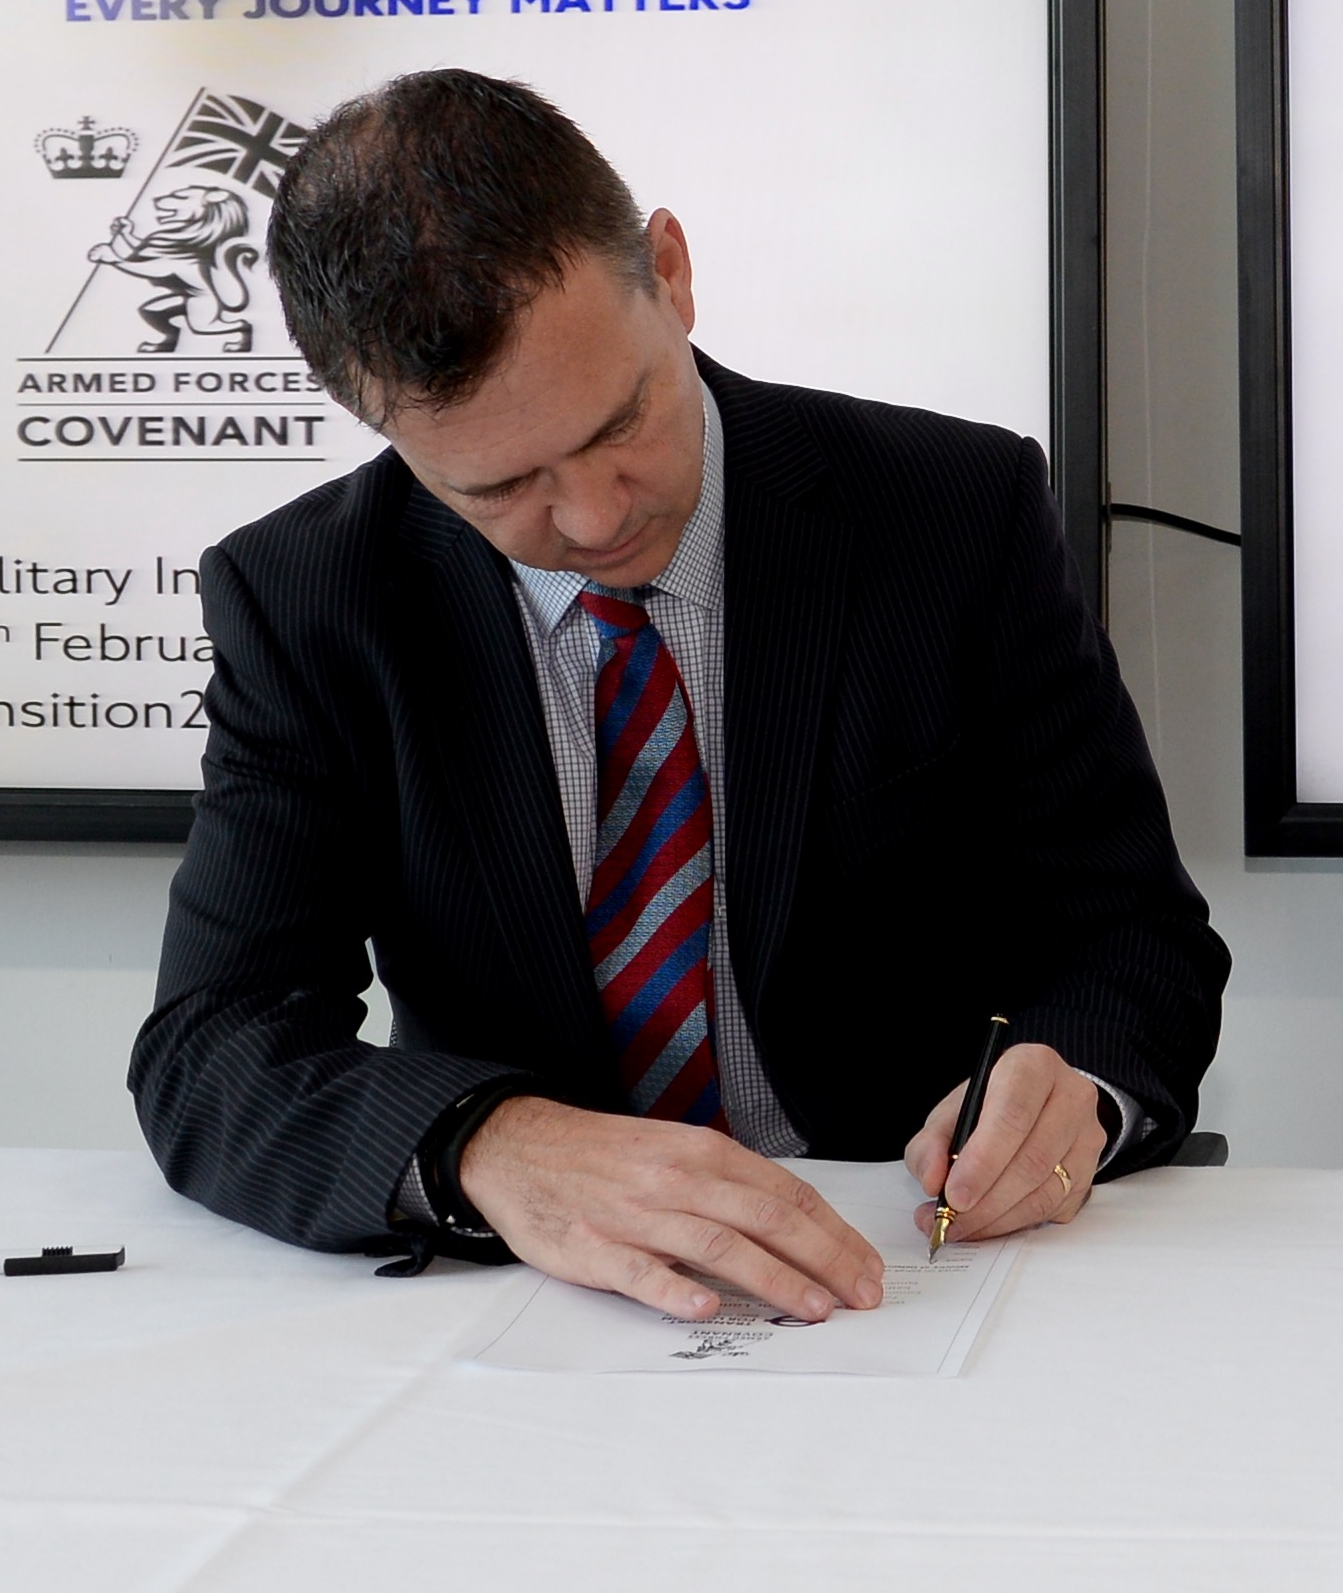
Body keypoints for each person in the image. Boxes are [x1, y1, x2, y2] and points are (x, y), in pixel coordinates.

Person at [131, 71, 1228, 1326]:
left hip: (921, 1267)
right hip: (537, 1298)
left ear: (671, 270)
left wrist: (1075, 1081)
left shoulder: (948, 513)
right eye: (501, 489)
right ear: (372, 420)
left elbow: (1128, 933)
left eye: (623, 419)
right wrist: (488, 1147)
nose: (595, 518)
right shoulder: (310, 598)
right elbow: (210, 1047)